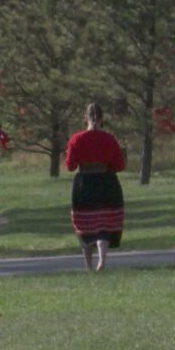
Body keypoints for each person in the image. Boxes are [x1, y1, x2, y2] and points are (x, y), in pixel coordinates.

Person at [65, 103, 126, 271]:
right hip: (107, 181)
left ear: (85, 118)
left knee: (85, 224)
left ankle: (88, 265)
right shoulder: (110, 139)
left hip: (84, 182)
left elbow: (70, 165)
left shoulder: (77, 139)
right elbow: (119, 165)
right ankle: (102, 259)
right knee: (104, 223)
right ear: (102, 118)